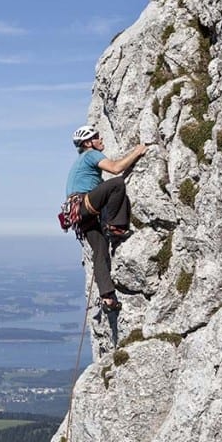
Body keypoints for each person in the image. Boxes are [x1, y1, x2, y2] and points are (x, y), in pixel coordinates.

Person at [65, 125, 148, 312]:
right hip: (83, 205)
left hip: (79, 214)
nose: (101, 139)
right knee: (117, 184)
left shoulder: (81, 162)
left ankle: (107, 297)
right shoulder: (90, 155)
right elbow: (116, 169)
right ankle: (115, 226)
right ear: (88, 143)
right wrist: (137, 152)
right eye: (97, 137)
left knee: (100, 250)